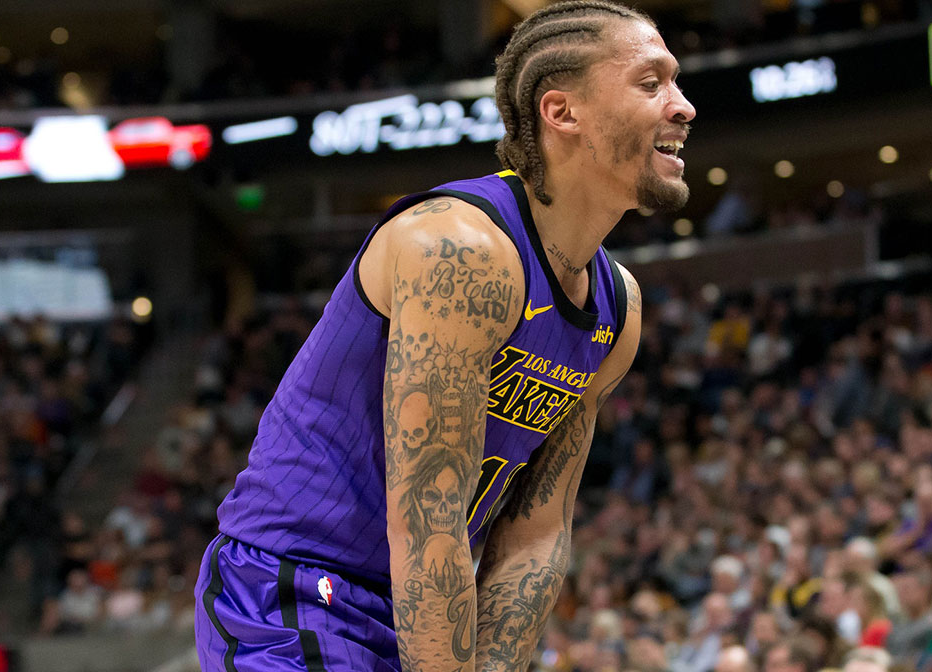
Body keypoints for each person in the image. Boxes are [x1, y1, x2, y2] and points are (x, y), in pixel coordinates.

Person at [192, 2, 695, 671]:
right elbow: (428, 520)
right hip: (295, 589)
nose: (684, 106)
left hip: (421, 609)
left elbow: (535, 537)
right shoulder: (460, 250)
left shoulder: (617, 311)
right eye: (651, 82)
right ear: (562, 111)